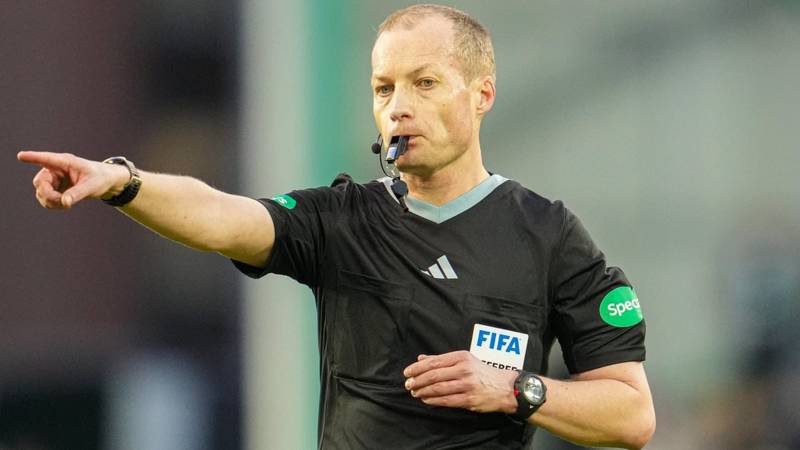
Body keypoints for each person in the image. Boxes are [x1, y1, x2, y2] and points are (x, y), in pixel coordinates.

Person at [17, 4, 655, 449]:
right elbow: (220, 215)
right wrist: (123, 182)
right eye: (383, 88)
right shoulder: (344, 220)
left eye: (425, 83)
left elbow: (632, 414)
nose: (398, 107)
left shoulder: (548, 235)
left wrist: (518, 389)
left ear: (481, 94)